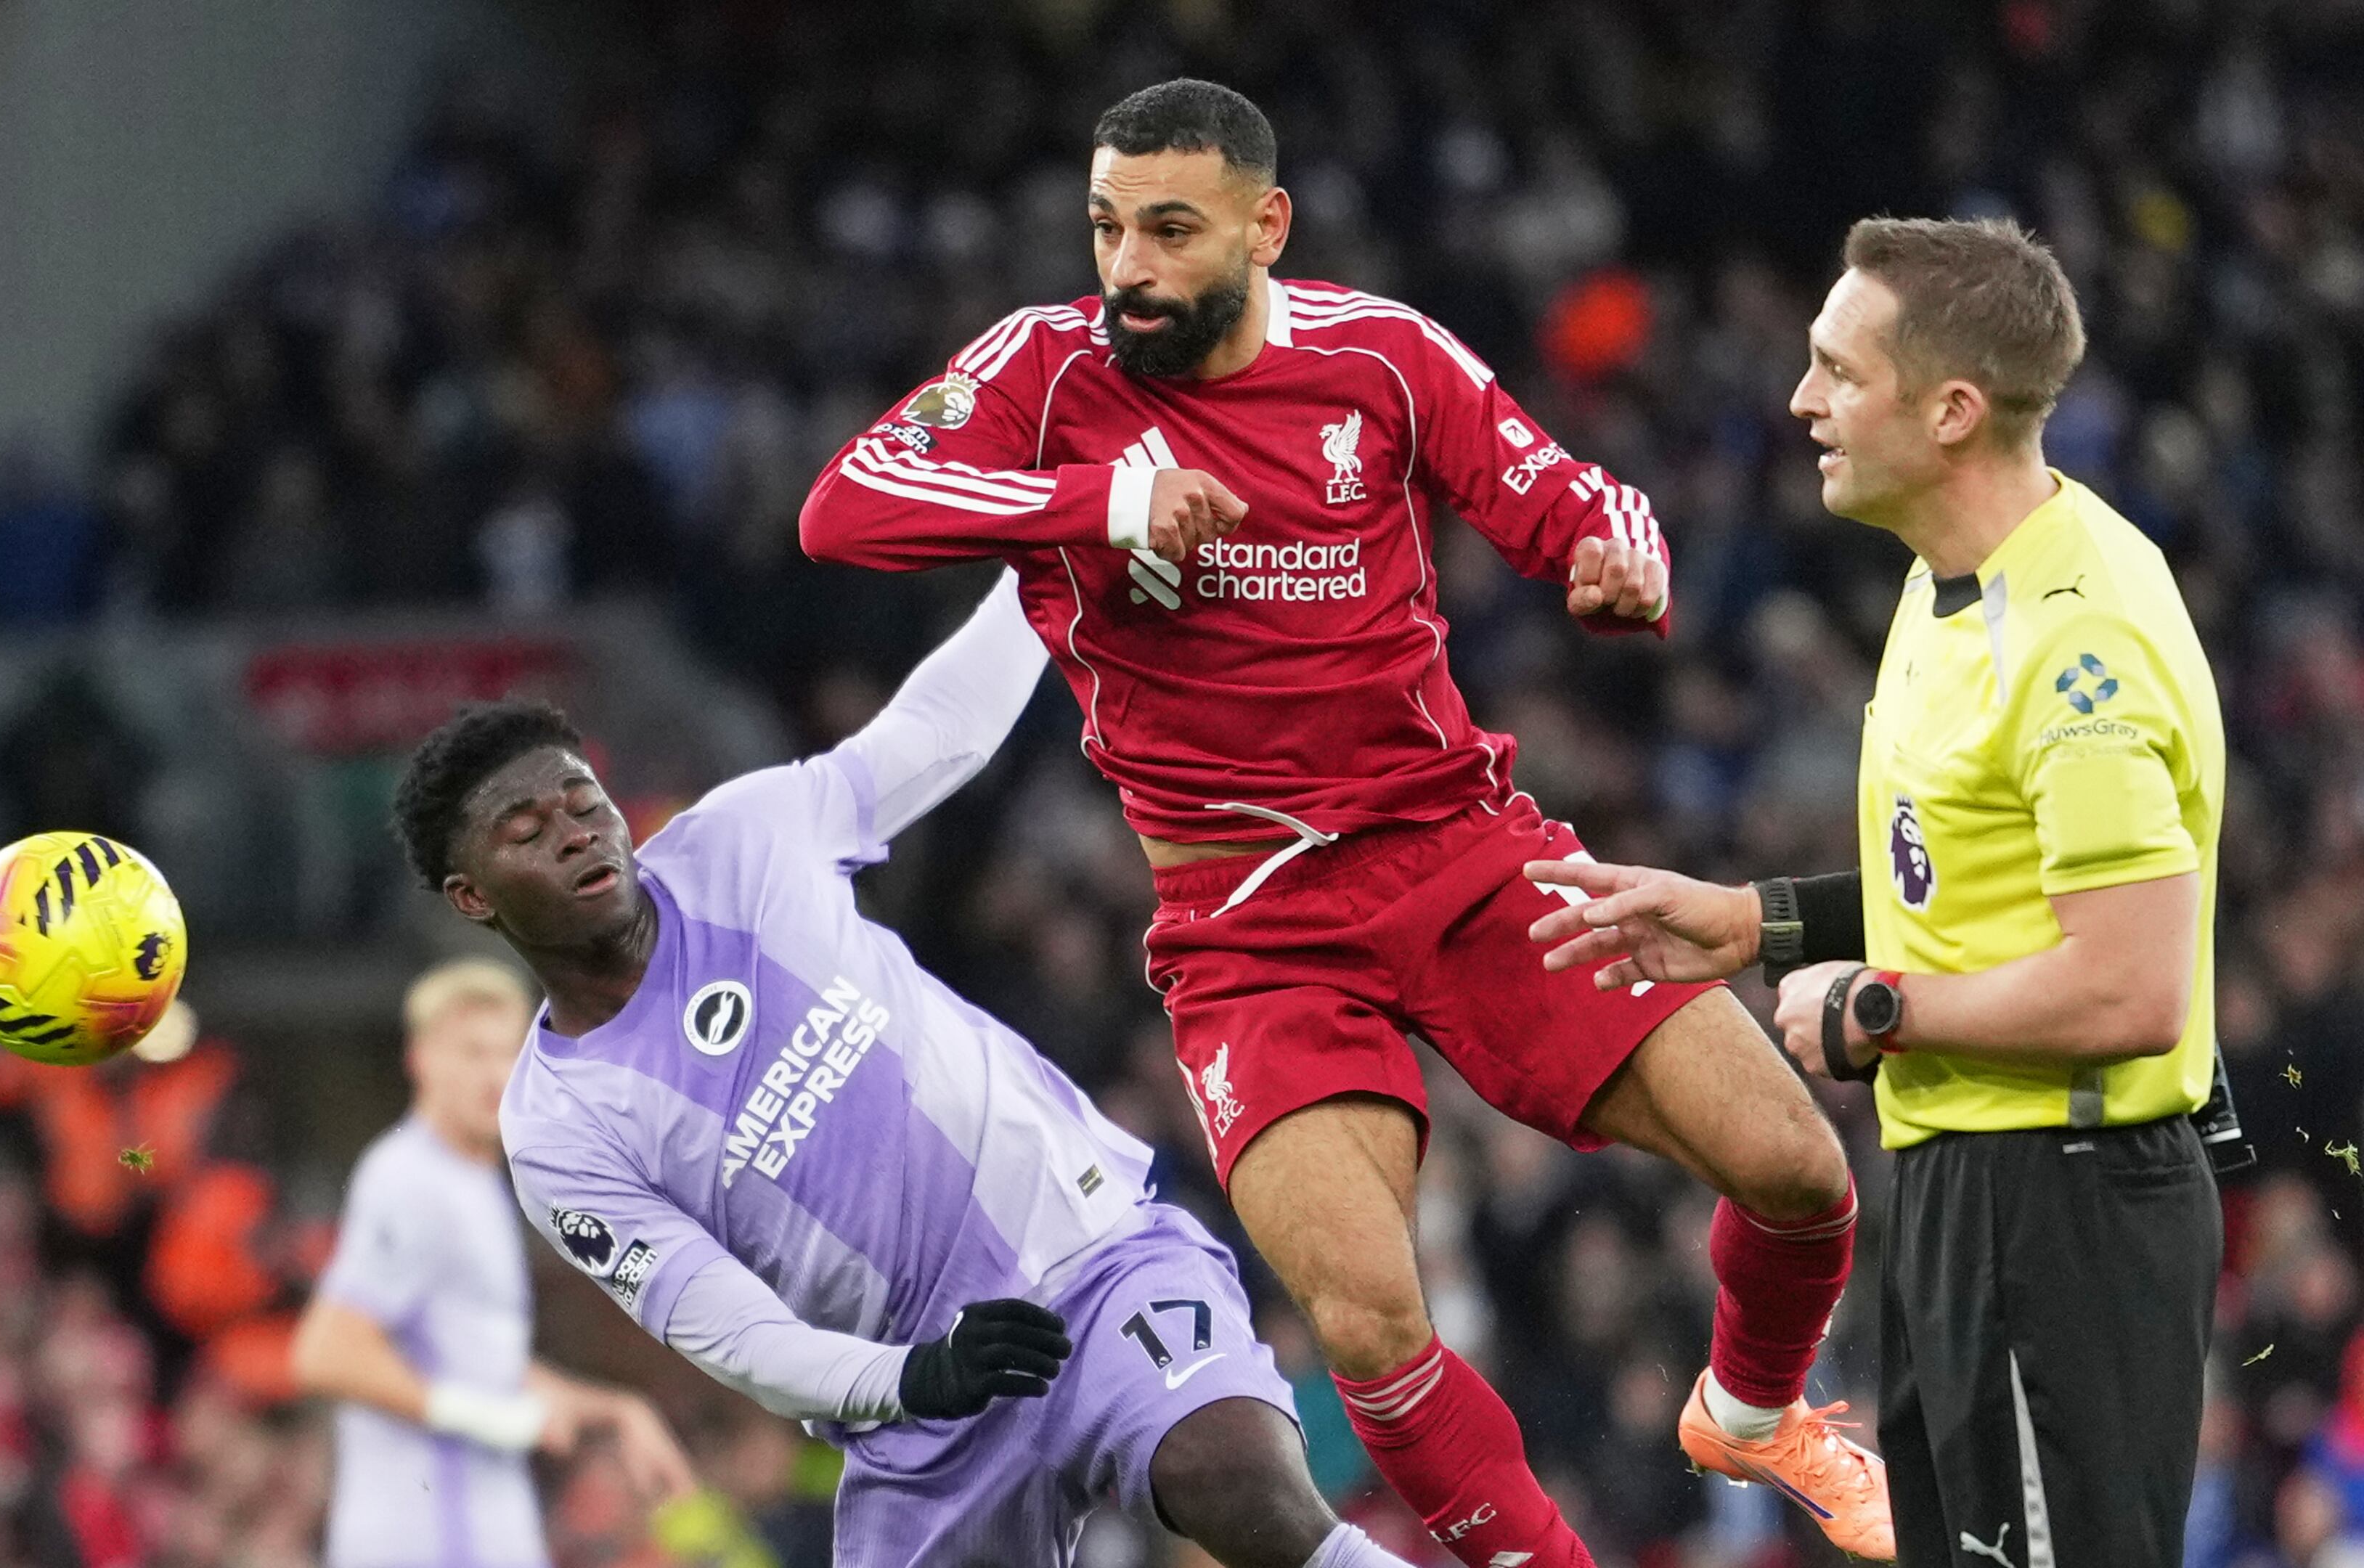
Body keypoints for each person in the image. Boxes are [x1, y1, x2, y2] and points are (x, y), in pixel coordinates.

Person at [796, 78, 1886, 1561]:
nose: (1130, 269)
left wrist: (1618, 560)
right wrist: (1098, 505)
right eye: (1109, 228)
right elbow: (847, 506)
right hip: (1249, 926)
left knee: (1801, 1175)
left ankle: (1755, 1419)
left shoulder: (1380, 355)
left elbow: (1571, 495)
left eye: (1172, 231)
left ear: (1267, 226)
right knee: (1370, 1317)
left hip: (1464, 852)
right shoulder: (1047, 374)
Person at [390, 571, 1420, 1568]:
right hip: (920, 1402)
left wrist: (1048, 567)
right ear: (474, 897)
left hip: (1088, 1252)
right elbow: (729, 1329)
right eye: (528, 834)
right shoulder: (557, 1128)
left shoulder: (742, 841)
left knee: (1229, 1474)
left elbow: (936, 737)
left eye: (581, 802)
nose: (575, 836)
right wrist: (912, 1377)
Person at [1526, 216, 2225, 1567]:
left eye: (1839, 372)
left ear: (1952, 410)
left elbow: (2137, 986)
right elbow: (1966, 875)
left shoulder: (2079, 645)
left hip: (2064, 1205)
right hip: (1968, 1183)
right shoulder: (1946, 584)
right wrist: (1752, 923)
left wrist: (1884, 1009)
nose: (1802, 402)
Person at [291, 958, 697, 1568]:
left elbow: (477, 1363)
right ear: (421, 1058)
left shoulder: (477, 1182)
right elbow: (326, 1353)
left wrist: (614, 1410)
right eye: (471, 1052)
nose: (494, 1073)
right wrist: (499, 1419)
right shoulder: (409, 1179)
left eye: (509, 1052)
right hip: (426, 1540)